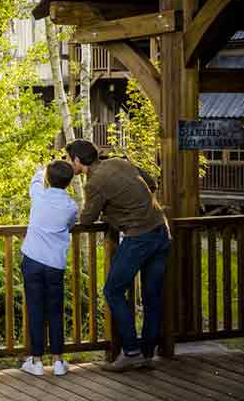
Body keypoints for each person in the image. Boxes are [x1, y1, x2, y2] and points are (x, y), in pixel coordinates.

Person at [65, 139, 170, 372]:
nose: (68, 162)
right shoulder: (119, 162)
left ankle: (131, 352)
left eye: (68, 158)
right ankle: (146, 354)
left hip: (139, 237)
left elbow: (87, 219)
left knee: (112, 291)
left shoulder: (94, 183)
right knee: (153, 296)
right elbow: (151, 183)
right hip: (161, 231)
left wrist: (111, 214)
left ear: (78, 161)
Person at [20, 160, 78, 376]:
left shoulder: (38, 194)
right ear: (69, 182)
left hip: (33, 260)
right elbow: (71, 224)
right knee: (55, 310)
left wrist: (44, 167)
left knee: (36, 309)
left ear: (48, 178)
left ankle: (36, 361)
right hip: (55, 264)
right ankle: (58, 362)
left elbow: (35, 179)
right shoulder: (71, 206)